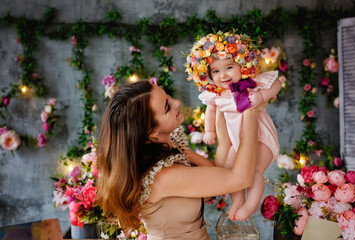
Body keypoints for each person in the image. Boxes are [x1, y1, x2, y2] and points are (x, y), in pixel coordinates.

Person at [96, 80, 262, 239]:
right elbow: (241, 178)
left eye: (168, 96)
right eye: (167, 107)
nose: (176, 102)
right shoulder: (163, 176)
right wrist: (250, 112)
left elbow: (220, 174)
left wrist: (220, 113)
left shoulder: (168, 150)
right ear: (152, 132)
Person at [185, 30, 281, 221]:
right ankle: (237, 201)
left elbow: (276, 83)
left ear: (242, 66)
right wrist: (210, 130)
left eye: (229, 67)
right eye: (216, 71)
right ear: (209, 74)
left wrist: (262, 96)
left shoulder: (251, 84)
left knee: (254, 170)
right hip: (237, 142)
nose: (223, 75)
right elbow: (210, 111)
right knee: (229, 170)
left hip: (261, 137)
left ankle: (251, 204)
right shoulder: (216, 94)